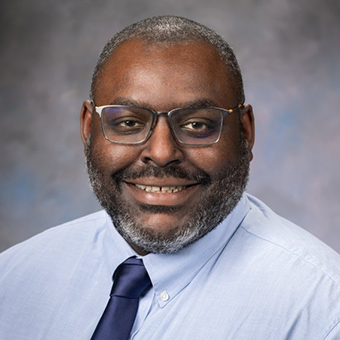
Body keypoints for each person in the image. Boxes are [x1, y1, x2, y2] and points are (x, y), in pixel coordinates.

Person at [0, 15, 339, 340]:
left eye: (197, 124)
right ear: (89, 129)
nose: (161, 153)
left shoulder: (322, 311)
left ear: (245, 133)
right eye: (129, 123)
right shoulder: (14, 279)